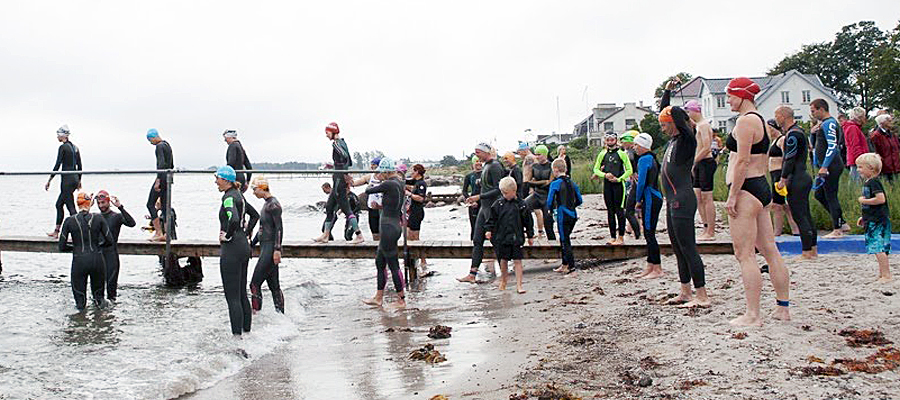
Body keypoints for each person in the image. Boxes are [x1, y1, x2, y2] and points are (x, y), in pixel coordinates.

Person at [723, 77, 790, 326]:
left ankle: (753, 315)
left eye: (730, 95)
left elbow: (741, 161)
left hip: (746, 190)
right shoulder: (760, 119)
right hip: (761, 187)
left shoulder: (744, 121)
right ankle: (783, 308)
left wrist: (732, 195)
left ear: (742, 96)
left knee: (745, 254)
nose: (728, 99)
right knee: (770, 250)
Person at [659, 80, 709, 308]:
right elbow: (665, 111)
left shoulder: (687, 140)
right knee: (677, 249)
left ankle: (702, 295)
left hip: (683, 199)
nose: (662, 127)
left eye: (665, 124)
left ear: (675, 123)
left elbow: (677, 115)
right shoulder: (673, 141)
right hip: (671, 201)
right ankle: (685, 291)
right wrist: (667, 92)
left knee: (688, 247)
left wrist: (675, 109)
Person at [215, 166, 259, 336]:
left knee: (232, 297)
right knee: (242, 294)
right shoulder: (239, 195)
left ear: (226, 180)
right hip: (243, 247)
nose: (215, 182)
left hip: (231, 249)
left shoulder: (228, 198)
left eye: (217, 178)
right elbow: (255, 215)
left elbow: (233, 218)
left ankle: (236, 341)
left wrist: (228, 235)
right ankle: (247, 334)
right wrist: (245, 232)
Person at [363, 158, 407, 308]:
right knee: (380, 262)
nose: (379, 174)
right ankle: (378, 297)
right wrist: (380, 206)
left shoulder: (389, 183)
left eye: (380, 172)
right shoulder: (399, 183)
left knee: (393, 264)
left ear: (385, 172)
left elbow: (368, 191)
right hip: (393, 224)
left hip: (389, 227)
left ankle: (401, 299)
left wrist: (374, 179)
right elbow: (393, 204)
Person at [775, 106, 818, 260]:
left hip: (797, 178)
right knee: (806, 214)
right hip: (803, 176)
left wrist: (783, 178)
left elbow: (789, 158)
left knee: (800, 215)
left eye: (777, 115)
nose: (776, 119)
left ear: (783, 116)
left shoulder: (792, 135)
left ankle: (807, 251)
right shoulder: (800, 131)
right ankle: (813, 249)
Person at [458, 143, 505, 283]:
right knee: (477, 240)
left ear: (486, 152)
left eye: (478, 153)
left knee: (495, 241)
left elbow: (498, 189)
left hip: (492, 208)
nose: (476, 156)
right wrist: (477, 197)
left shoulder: (495, 166)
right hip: (483, 207)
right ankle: (472, 274)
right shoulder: (486, 166)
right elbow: (485, 187)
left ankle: (504, 274)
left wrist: (479, 197)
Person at [59, 192, 113, 310]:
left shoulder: (69, 221)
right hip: (97, 259)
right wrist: (97, 246)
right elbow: (110, 241)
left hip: (79, 260)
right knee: (99, 300)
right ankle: (102, 324)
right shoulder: (99, 218)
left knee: (80, 302)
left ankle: (80, 325)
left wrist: (76, 248)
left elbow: (61, 246)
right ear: (90, 203)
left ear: (77, 204)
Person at [314, 122, 364, 244]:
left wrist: (342, 172)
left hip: (339, 180)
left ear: (333, 132)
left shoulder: (336, 143)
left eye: (327, 133)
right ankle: (325, 235)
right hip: (338, 176)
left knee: (347, 210)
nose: (326, 136)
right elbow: (349, 161)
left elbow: (344, 156)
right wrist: (335, 166)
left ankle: (359, 235)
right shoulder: (343, 142)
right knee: (329, 207)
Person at [485, 177, 534, 293]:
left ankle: (519, 285)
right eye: (502, 193)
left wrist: (530, 235)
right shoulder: (498, 204)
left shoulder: (521, 204)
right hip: (502, 237)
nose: (504, 195)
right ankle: (504, 280)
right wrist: (488, 230)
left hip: (517, 237)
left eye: (506, 193)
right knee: (503, 260)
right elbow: (491, 219)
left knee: (517, 261)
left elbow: (528, 221)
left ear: (514, 191)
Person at [810, 99, 847, 238]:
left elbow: (832, 146)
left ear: (821, 109)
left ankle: (837, 229)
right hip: (823, 165)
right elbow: (814, 147)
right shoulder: (822, 125)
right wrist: (812, 133)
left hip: (832, 165)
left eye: (813, 111)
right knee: (819, 194)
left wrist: (825, 166)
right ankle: (842, 221)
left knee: (831, 195)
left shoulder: (830, 123)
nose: (812, 114)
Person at [855, 153, 894, 283]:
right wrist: (864, 217)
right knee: (878, 248)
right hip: (872, 219)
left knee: (879, 248)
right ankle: (882, 274)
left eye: (860, 167)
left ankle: (886, 275)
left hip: (878, 221)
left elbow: (880, 199)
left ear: (871, 168)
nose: (858, 170)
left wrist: (864, 201)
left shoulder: (874, 182)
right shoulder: (869, 182)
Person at [249, 177, 285, 313]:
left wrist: (277, 250)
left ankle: (256, 314)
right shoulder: (266, 204)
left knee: (254, 284)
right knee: (274, 286)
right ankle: (281, 317)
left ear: (262, 188)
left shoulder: (273, 205)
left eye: (254, 189)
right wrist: (251, 245)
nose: (253, 192)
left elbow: (279, 229)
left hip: (270, 249)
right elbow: (262, 230)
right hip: (266, 247)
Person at [684, 100, 718, 241]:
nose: (688, 115)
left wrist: (694, 161)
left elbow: (706, 147)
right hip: (699, 163)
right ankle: (705, 227)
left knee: (706, 197)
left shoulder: (704, 126)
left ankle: (711, 230)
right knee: (697, 197)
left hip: (705, 162)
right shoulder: (698, 126)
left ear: (694, 111)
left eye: (688, 112)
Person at [632, 133, 664, 279]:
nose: (634, 148)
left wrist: (637, 200)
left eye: (636, 145)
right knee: (648, 232)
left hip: (650, 197)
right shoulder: (651, 157)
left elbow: (642, 182)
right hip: (653, 196)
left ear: (643, 146)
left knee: (650, 233)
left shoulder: (644, 159)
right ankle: (650, 265)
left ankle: (657, 267)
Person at [591, 131, 632, 245]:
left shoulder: (621, 153)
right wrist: (605, 175)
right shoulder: (602, 153)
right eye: (608, 140)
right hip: (607, 184)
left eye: (612, 140)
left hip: (619, 185)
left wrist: (619, 179)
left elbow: (629, 170)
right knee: (610, 211)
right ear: (605, 141)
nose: (610, 142)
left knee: (619, 211)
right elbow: (596, 169)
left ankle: (621, 237)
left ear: (616, 140)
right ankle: (613, 237)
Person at [95, 190, 136, 302]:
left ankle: (111, 315)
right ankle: (98, 314)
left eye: (103, 202)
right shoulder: (95, 218)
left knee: (111, 290)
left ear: (108, 202)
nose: (101, 206)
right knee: (97, 291)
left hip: (111, 255)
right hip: (98, 256)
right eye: (99, 203)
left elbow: (132, 223)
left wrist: (120, 207)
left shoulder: (116, 216)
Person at [46, 125, 82, 238]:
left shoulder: (63, 148)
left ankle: (80, 233)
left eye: (58, 134)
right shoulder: (75, 147)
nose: (57, 137)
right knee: (59, 204)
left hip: (66, 180)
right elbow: (80, 165)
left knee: (71, 207)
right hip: (74, 178)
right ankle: (56, 231)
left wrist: (50, 180)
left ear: (63, 135)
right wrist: (79, 180)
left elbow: (57, 164)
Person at [547, 158, 583, 274]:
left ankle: (571, 267)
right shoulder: (572, 183)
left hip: (563, 214)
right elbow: (579, 200)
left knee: (564, 240)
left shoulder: (555, 183)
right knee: (565, 239)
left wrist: (551, 210)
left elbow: (549, 201)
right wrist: (571, 206)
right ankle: (564, 264)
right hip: (573, 215)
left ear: (555, 170)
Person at [767, 119, 800, 237]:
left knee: (781, 205)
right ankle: (787, 230)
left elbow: (787, 158)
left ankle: (784, 230)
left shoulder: (782, 140)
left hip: (779, 173)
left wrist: (783, 177)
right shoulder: (773, 141)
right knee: (779, 205)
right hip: (774, 174)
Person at [145, 128, 174, 242]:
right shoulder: (167, 145)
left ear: (153, 137)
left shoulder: (159, 146)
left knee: (150, 204)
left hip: (162, 178)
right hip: (168, 179)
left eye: (150, 140)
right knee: (165, 208)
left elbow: (161, 164)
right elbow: (171, 164)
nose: (151, 143)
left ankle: (158, 232)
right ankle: (167, 234)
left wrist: (158, 181)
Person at [526, 145, 556, 241]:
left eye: (539, 154)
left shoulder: (551, 166)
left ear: (544, 154)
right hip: (537, 194)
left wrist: (536, 182)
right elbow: (528, 181)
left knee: (548, 222)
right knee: (523, 207)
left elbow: (550, 183)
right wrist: (543, 182)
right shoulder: (534, 166)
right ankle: (530, 233)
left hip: (548, 196)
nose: (537, 157)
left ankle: (553, 243)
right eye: (536, 155)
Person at [349, 157, 384, 241]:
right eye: (371, 165)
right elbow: (356, 183)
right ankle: (376, 250)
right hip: (372, 208)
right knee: (375, 232)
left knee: (384, 232)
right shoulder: (369, 177)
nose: (372, 167)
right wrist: (348, 180)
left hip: (383, 208)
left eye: (374, 165)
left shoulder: (385, 177)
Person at [619, 131, 642, 240]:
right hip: (629, 180)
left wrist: (633, 174)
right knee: (630, 206)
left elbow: (634, 166)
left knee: (633, 207)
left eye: (623, 141)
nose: (622, 143)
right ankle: (630, 227)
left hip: (634, 181)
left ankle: (636, 230)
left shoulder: (634, 152)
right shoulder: (627, 151)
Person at [406, 164, 428, 266]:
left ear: (417, 172)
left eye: (413, 171)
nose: (411, 173)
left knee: (415, 238)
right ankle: (413, 259)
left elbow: (421, 198)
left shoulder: (421, 183)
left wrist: (409, 194)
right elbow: (406, 181)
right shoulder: (416, 182)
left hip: (417, 212)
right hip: (412, 212)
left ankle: (423, 261)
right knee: (409, 235)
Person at [521, 154, 545, 237]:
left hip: (531, 188)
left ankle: (539, 231)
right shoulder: (528, 166)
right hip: (527, 186)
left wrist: (531, 189)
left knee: (536, 211)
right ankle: (536, 231)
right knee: (531, 210)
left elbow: (532, 179)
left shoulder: (534, 167)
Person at [870, 114, 899, 183]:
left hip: (895, 166)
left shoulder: (892, 135)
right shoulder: (876, 136)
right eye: (888, 121)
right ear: (882, 123)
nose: (891, 122)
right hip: (884, 168)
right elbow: (875, 151)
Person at [843, 108, 869, 181]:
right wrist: (861, 160)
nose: (865, 118)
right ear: (859, 117)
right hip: (856, 161)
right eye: (863, 116)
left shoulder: (853, 127)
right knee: (856, 182)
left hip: (856, 160)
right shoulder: (853, 128)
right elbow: (855, 146)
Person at [462, 157, 483, 239]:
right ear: (473, 163)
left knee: (485, 226)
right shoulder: (469, 176)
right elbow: (464, 191)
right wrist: (470, 201)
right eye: (477, 162)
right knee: (474, 227)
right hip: (473, 203)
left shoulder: (485, 173)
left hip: (484, 201)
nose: (479, 163)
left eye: (480, 161)